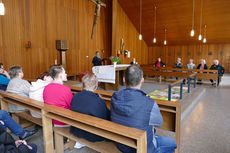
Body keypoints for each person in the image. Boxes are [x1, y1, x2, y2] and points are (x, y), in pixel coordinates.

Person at [111, 65, 177, 153]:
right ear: (142, 80)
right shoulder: (149, 103)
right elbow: (159, 123)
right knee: (172, 143)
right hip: (143, 147)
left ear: (124, 79)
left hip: (122, 145)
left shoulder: (114, 97)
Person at [70, 74, 110, 142]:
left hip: (76, 130)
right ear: (96, 87)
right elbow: (105, 119)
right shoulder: (99, 101)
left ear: (82, 85)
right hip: (92, 135)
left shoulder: (75, 96)